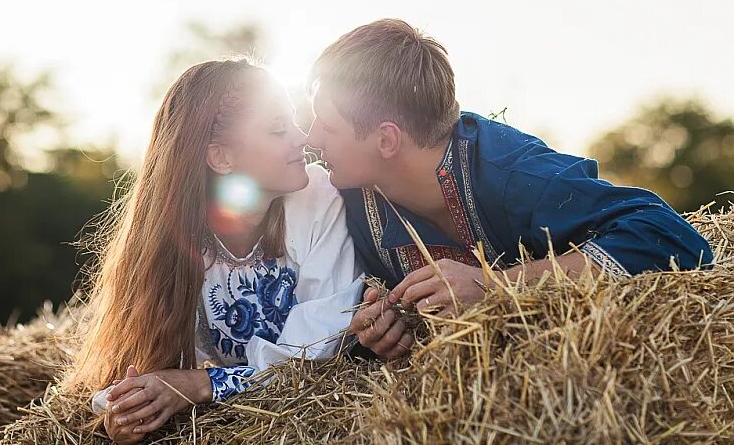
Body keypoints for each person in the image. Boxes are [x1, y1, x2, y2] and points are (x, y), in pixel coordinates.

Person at [305, 18, 714, 361]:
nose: (312, 137)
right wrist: (380, 331)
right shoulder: (348, 198)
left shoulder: (513, 173)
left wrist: (495, 285)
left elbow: (672, 239)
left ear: (387, 141)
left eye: (328, 124)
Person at [62, 58, 363, 443]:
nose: (302, 137)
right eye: (278, 129)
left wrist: (198, 384)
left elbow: (316, 352)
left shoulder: (319, 199)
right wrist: (126, 412)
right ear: (221, 157)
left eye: (293, 121)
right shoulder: (173, 241)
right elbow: (140, 376)